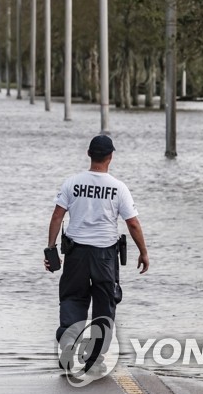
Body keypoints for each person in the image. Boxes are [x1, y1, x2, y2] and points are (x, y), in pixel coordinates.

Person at [45, 135, 148, 373]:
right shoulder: (118, 187)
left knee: (72, 299)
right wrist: (143, 252)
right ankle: (94, 358)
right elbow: (132, 224)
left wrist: (51, 249)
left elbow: (57, 216)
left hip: (76, 255)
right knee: (104, 305)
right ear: (110, 157)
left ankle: (69, 343)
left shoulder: (72, 183)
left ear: (89, 154)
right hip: (105, 257)